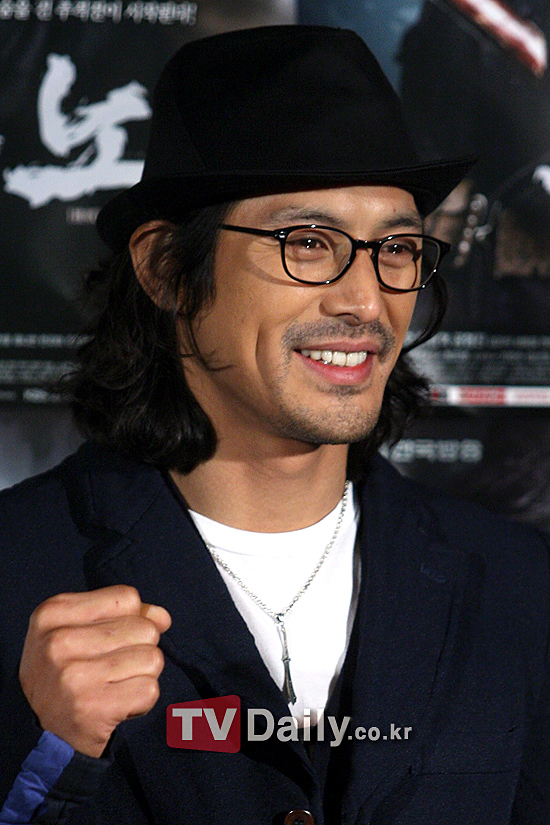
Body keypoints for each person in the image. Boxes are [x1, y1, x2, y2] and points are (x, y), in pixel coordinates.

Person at [0, 24, 548, 825]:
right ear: (165, 268)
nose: (365, 301)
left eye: (397, 247)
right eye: (309, 241)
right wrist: (49, 757)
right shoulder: (16, 568)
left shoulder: (518, 585)